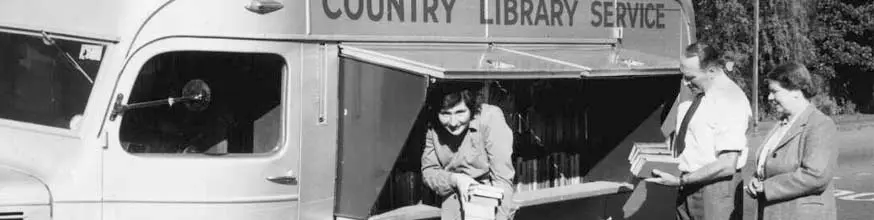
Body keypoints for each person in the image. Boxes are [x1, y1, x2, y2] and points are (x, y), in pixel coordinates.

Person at [646, 42, 751, 220]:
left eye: (690, 77)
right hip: (688, 183)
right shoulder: (696, 92)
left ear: (711, 71)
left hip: (713, 188)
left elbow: (727, 164)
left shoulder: (731, 100)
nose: (685, 83)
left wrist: (681, 181)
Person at [745, 63, 837, 220]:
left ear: (796, 91)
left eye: (775, 92)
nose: (770, 97)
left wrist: (766, 187)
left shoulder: (819, 124)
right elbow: (771, 164)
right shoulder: (783, 123)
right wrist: (757, 177)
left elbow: (816, 176)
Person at [421, 82, 516, 220]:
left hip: (490, 204)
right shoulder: (433, 126)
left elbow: (503, 181)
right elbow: (429, 172)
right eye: (445, 114)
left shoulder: (490, 117)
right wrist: (455, 179)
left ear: (472, 108)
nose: (453, 122)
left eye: (460, 112)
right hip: (451, 206)